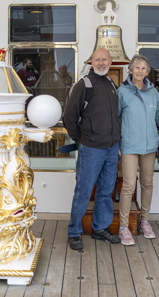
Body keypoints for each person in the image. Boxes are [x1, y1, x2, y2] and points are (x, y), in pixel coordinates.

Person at [63, 48, 121, 251]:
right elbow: (69, 117)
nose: (101, 63)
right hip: (91, 149)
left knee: (106, 191)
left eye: (105, 59)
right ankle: (74, 232)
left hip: (111, 148)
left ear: (111, 61)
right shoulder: (83, 85)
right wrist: (81, 140)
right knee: (84, 191)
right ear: (91, 62)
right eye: (98, 59)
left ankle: (100, 228)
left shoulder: (111, 84)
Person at [117, 55, 159, 245]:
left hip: (149, 146)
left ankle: (144, 221)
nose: (140, 71)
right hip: (129, 146)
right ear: (130, 70)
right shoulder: (122, 92)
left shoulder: (154, 92)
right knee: (129, 184)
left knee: (147, 183)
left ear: (147, 72)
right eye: (136, 67)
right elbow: (117, 118)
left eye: (143, 68)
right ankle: (123, 227)